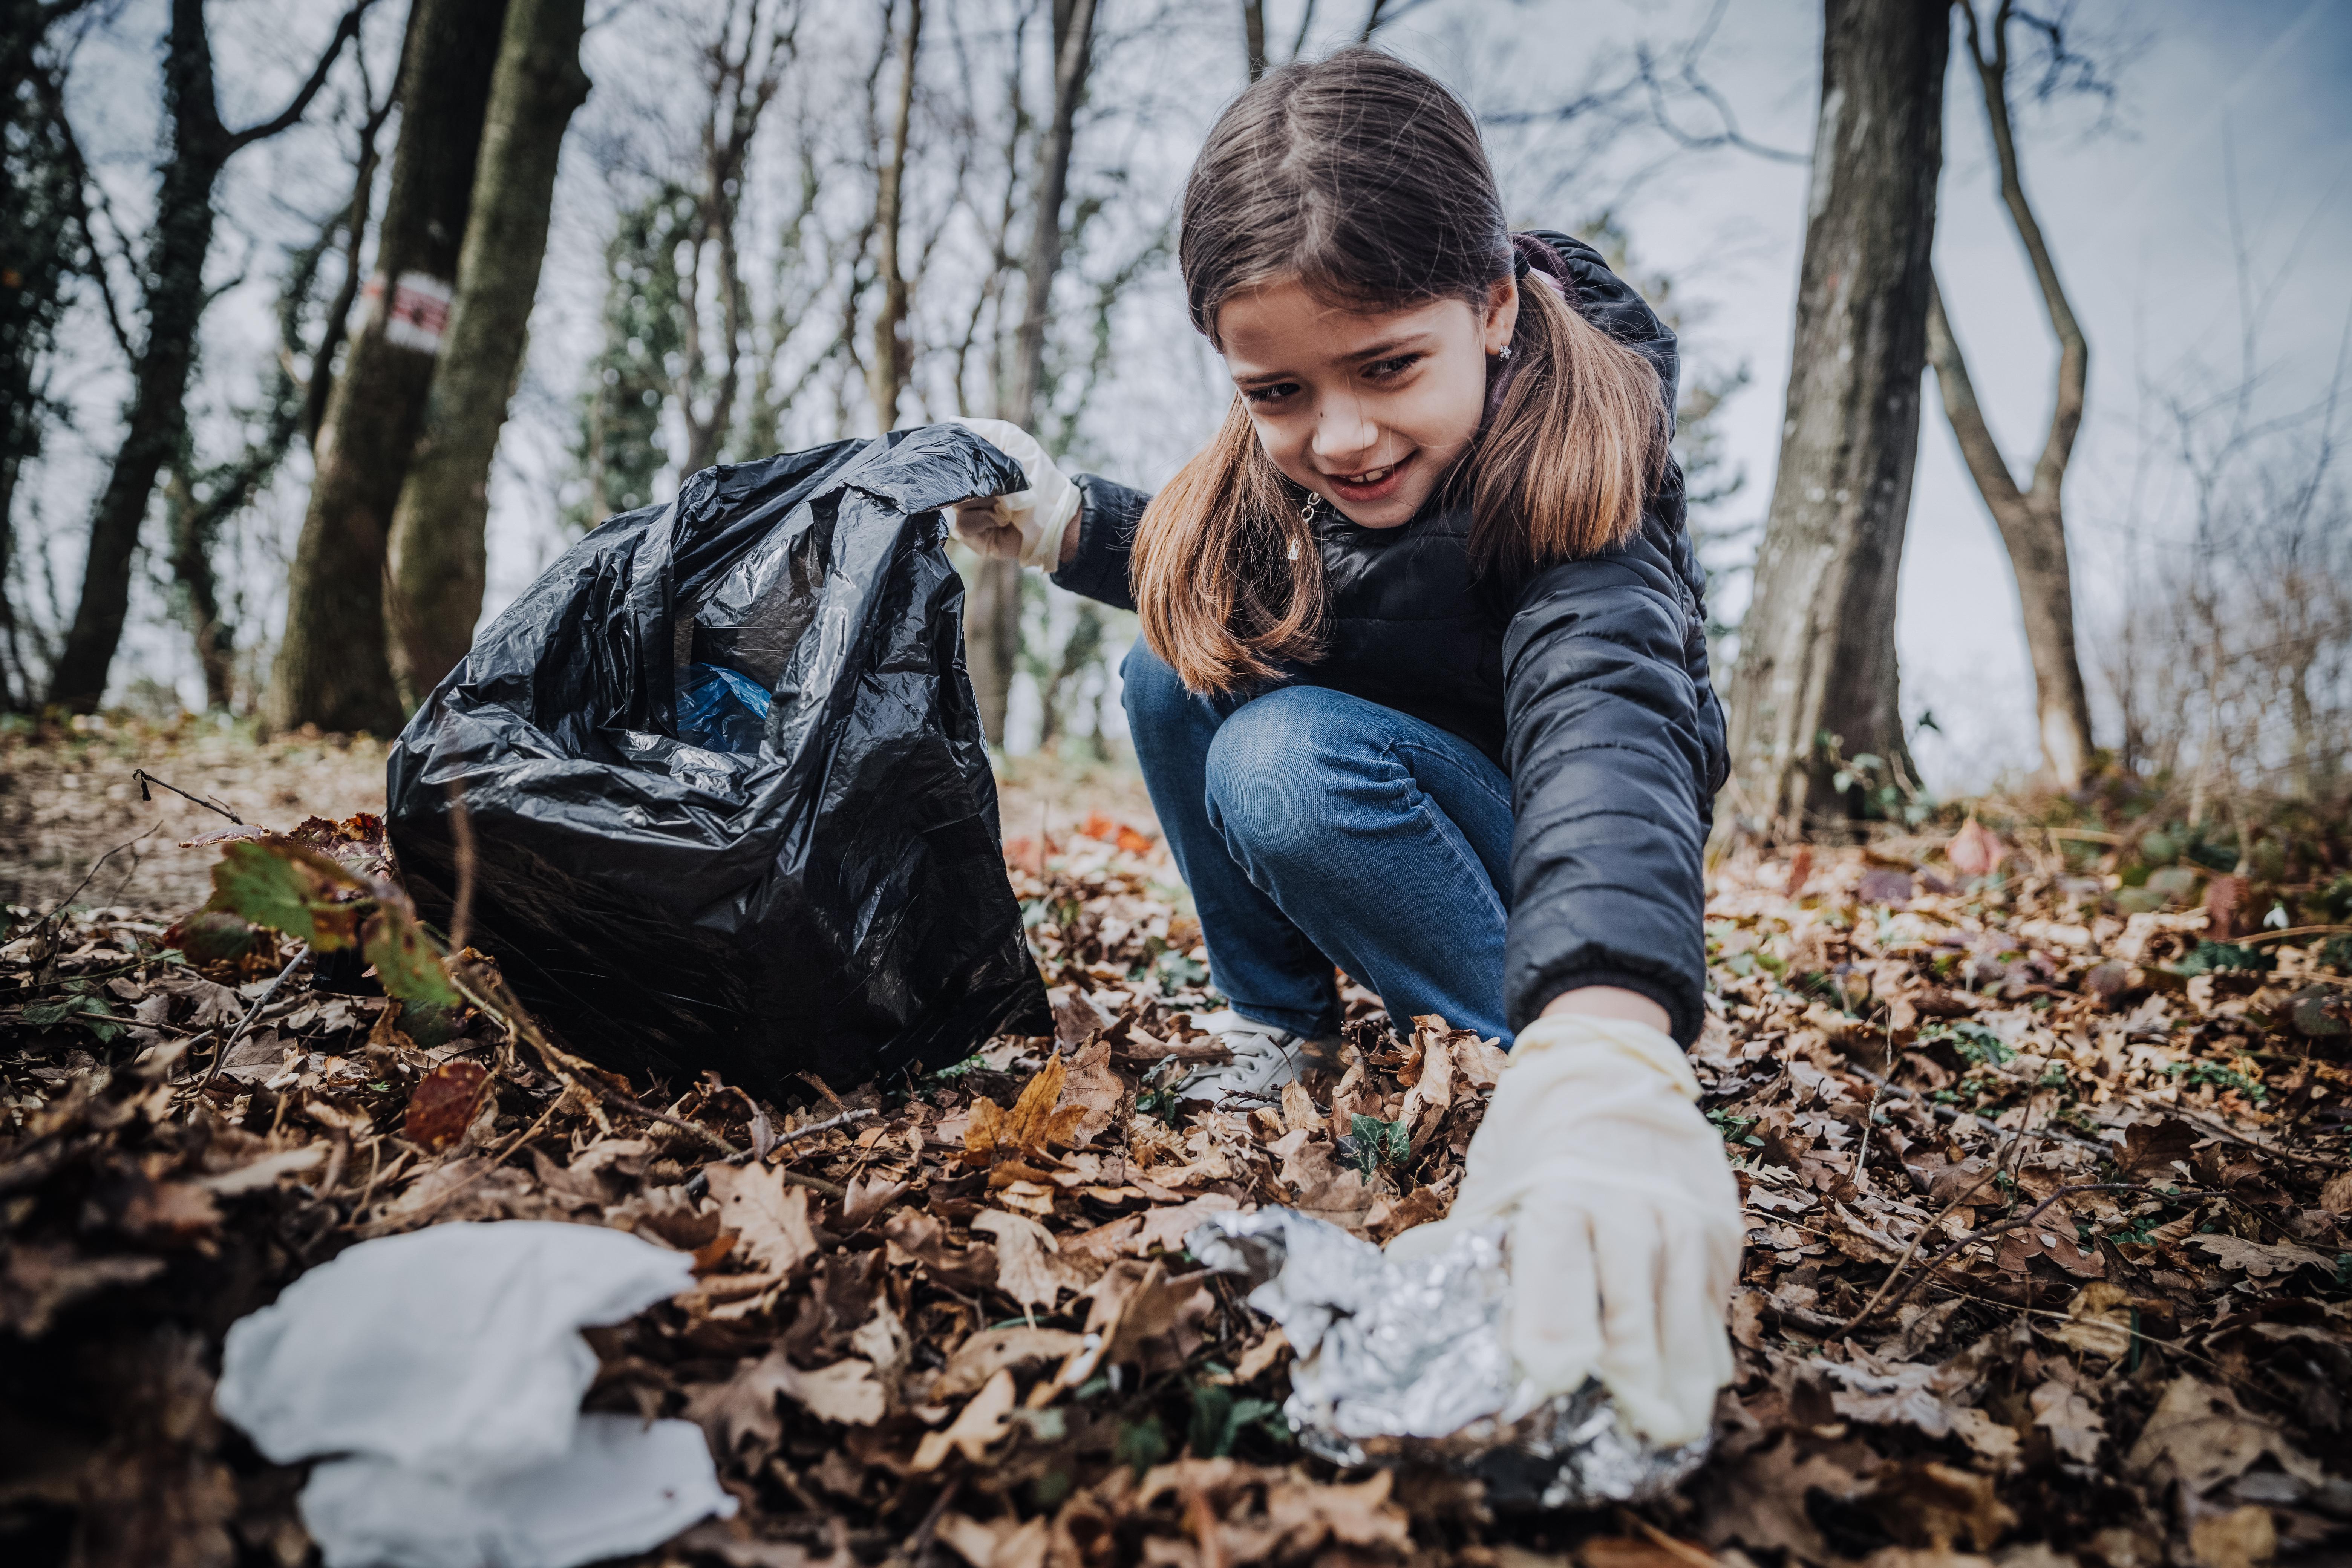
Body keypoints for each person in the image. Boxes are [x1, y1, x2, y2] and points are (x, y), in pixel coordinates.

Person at [951, 49, 1743, 1451]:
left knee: (1283, 760)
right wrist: (1072, 522)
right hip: (1411, 795)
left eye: (1387, 368)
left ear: (1493, 307)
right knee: (1173, 666)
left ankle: (1538, 1064)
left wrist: (1608, 1032)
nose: (1343, 436)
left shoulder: (1586, 478)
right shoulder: (1315, 461)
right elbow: (1256, 593)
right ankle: (1280, 1028)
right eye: (1279, 395)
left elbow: (1605, 730)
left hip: (1553, 861)